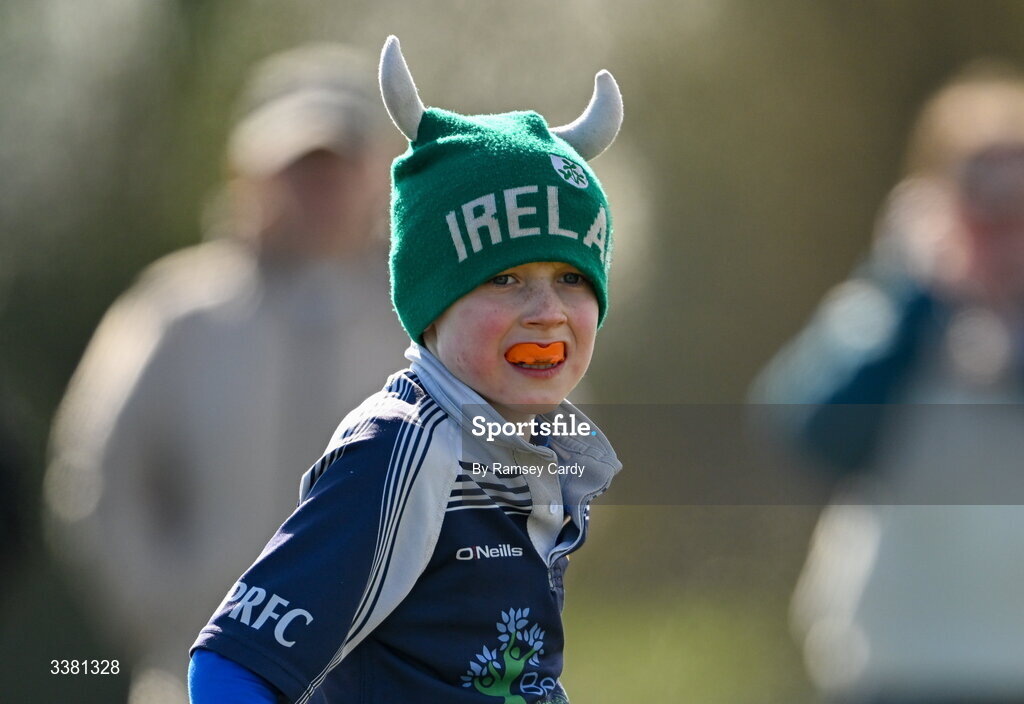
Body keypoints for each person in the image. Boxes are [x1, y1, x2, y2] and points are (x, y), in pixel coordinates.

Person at [186, 36, 625, 703]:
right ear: (432, 306)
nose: (546, 311)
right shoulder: (407, 448)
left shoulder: (538, 445)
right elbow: (230, 667)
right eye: (503, 277)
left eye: (571, 277)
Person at [42, 43, 408, 703]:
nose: (318, 187)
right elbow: (94, 476)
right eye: (299, 165)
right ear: (250, 172)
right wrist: (171, 604)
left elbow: (529, 471)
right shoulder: (175, 311)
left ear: (378, 169)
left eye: (338, 163)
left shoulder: (428, 323)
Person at [753, 62, 1024, 704]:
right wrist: (916, 298)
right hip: (894, 665)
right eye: (982, 201)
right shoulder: (887, 312)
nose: (1002, 231)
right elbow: (808, 431)